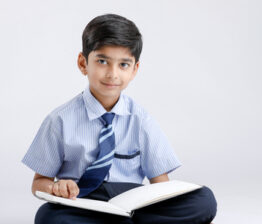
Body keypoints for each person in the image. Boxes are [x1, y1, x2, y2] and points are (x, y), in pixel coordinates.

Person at [22, 13, 217, 224]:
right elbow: (39, 182)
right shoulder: (59, 120)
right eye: (103, 61)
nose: (112, 74)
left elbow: (161, 186)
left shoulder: (141, 120)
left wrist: (163, 204)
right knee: (47, 217)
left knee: (204, 199)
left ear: (135, 69)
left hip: (132, 203)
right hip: (83, 202)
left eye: (123, 64)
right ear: (83, 63)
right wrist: (55, 187)